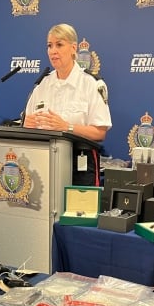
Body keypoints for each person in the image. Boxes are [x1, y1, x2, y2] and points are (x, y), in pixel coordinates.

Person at [23, 23, 112, 185]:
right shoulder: (42, 85)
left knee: (79, 210)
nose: (53, 51)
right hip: (43, 163)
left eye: (59, 44)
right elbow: (28, 124)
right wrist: (27, 125)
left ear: (73, 48)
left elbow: (100, 132)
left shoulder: (92, 84)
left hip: (80, 165)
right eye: (49, 46)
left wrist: (66, 127)